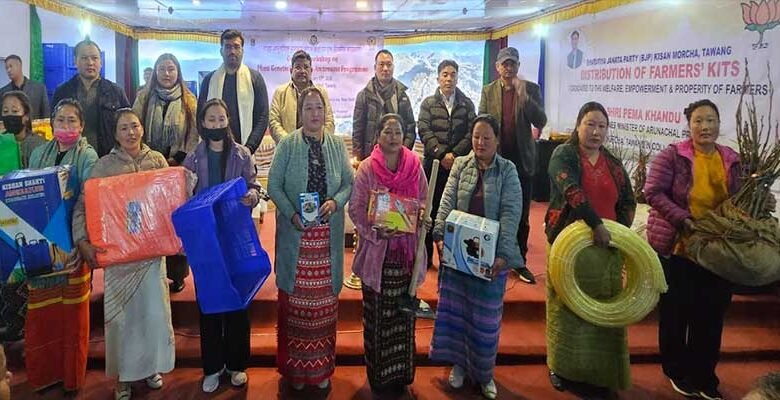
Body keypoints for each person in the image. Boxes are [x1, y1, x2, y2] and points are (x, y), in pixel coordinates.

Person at [72, 108, 175, 400]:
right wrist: (83, 241)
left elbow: (170, 204)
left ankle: (150, 367)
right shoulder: (104, 167)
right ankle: (123, 378)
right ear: (115, 134)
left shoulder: (156, 161)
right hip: (120, 261)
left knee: (153, 315)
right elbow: (83, 206)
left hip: (151, 258)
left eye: (135, 126)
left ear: (142, 128)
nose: (131, 132)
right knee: (123, 321)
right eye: (124, 128)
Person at [644, 100, 744, 400]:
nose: (705, 127)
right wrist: (682, 218)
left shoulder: (731, 158)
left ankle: (705, 375)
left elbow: (740, 198)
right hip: (681, 246)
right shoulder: (673, 156)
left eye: (711, 120)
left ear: (718, 123)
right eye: (699, 120)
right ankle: (676, 370)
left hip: (718, 250)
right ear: (689, 124)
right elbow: (652, 192)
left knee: (712, 315)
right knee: (677, 312)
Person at [544, 102, 636, 400]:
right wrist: (596, 225)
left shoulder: (613, 163)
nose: (595, 131)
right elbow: (572, 192)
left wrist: (619, 233)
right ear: (578, 125)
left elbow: (628, 201)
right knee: (567, 308)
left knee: (602, 310)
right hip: (570, 245)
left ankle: (601, 373)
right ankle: (562, 368)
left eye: (601, 126)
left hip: (606, 248)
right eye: (590, 124)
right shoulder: (563, 155)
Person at [429, 114, 523, 400]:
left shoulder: (507, 171)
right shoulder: (460, 165)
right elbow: (446, 202)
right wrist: (440, 235)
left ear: (497, 140)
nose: (480, 142)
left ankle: (484, 373)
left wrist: (504, 255)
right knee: (456, 314)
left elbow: (510, 214)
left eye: (486, 138)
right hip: (458, 256)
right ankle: (458, 364)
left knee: (485, 321)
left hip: (489, 259)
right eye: (476, 137)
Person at [268, 87, 353, 390]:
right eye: (308, 109)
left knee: (323, 310)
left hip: (326, 240)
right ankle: (296, 372)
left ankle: (319, 372)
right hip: (297, 238)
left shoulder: (336, 145)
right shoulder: (288, 145)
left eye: (319, 108)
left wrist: (335, 202)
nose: (314, 114)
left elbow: (347, 183)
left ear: (325, 112)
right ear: (300, 113)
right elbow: (274, 185)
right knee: (296, 308)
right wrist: (291, 213)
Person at [182, 98, 263, 392]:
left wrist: (251, 198)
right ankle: (213, 366)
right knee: (210, 301)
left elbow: (254, 187)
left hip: (236, 236)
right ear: (203, 124)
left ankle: (238, 364)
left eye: (221, 119)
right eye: (211, 120)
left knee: (238, 300)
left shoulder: (242, 155)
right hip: (206, 239)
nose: (216, 124)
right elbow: (183, 194)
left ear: (228, 121)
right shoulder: (193, 158)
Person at [349, 113, 428, 396]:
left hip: (405, 258)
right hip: (377, 259)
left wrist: (413, 218)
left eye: (398, 131)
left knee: (403, 320)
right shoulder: (368, 168)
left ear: (405, 136)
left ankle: (402, 377)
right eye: (387, 132)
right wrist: (376, 233)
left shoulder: (414, 165)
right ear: (378, 136)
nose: (393, 137)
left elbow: (423, 203)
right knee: (378, 321)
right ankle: (379, 379)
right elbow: (356, 210)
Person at [23, 98, 98, 393]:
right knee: (42, 316)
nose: (66, 126)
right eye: (61, 121)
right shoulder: (39, 152)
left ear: (81, 126)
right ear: (52, 124)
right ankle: (44, 374)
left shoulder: (88, 156)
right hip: (39, 245)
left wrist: (79, 239)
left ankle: (70, 378)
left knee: (72, 320)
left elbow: (87, 200)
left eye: (72, 121)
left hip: (71, 245)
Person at [478, 46, 546, 284]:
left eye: (513, 64)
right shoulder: (488, 91)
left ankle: (520, 261)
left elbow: (541, 120)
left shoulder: (531, 89)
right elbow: (482, 122)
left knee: (521, 214)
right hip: (495, 161)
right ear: (497, 67)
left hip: (522, 162)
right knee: (491, 209)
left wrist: (524, 97)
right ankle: (491, 256)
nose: (508, 68)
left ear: (518, 67)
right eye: (504, 64)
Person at [133, 53, 199, 293]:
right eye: (162, 69)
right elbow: (133, 127)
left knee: (174, 224)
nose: (167, 74)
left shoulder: (189, 100)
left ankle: (177, 274)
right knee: (150, 222)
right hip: (149, 169)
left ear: (178, 72)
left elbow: (194, 134)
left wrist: (178, 158)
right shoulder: (144, 97)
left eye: (171, 69)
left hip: (176, 170)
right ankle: (150, 272)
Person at [418, 59, 476, 271]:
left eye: (452, 74)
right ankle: (426, 259)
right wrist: (442, 154)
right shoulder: (427, 103)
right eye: (445, 74)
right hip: (433, 166)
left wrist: (455, 155)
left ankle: (451, 258)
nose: (449, 78)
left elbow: (471, 132)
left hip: (458, 167)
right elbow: (423, 129)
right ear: (438, 78)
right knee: (429, 213)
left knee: (455, 211)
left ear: (457, 77)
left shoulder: (467, 104)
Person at [52, 39, 130, 157]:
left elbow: (127, 123)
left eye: (95, 58)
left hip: (108, 157)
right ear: (75, 61)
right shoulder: (63, 91)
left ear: (101, 62)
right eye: (84, 58)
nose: (90, 62)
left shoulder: (115, 91)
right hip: (72, 157)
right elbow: (53, 124)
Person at [198, 29, 268, 155]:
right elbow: (200, 117)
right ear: (221, 51)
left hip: (246, 152)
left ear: (242, 51)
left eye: (236, 47)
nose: (232, 51)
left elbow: (262, 117)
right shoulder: (209, 80)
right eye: (228, 47)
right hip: (214, 153)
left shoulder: (255, 79)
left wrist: (249, 148)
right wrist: (211, 147)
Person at [352, 49, 416, 161]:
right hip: (371, 157)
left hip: (397, 158)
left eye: (389, 65)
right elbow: (358, 131)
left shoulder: (402, 96)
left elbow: (410, 128)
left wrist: (403, 152)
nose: (385, 69)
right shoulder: (364, 96)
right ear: (375, 67)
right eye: (381, 64)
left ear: (393, 67)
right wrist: (359, 159)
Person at [269, 49, 335, 143]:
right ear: (291, 70)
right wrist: (289, 143)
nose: (302, 71)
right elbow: (273, 122)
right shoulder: (280, 92)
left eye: (306, 67)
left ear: (311, 70)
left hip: (317, 149)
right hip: (288, 150)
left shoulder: (321, 92)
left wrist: (318, 142)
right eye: (298, 67)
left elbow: (329, 121)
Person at [1, 90, 47, 167]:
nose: (9, 115)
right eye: (5, 111)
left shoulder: (38, 145)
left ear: (26, 116)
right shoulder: (1, 142)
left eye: (15, 111)